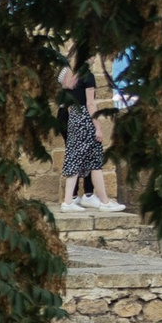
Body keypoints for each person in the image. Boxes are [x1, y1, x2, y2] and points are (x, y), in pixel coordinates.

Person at [57, 59, 121, 216]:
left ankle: (97, 200)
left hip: (73, 117)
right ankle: (73, 201)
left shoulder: (71, 77)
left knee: (87, 160)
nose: (93, 58)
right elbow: (91, 104)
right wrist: (98, 127)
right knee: (90, 160)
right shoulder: (88, 77)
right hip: (85, 119)